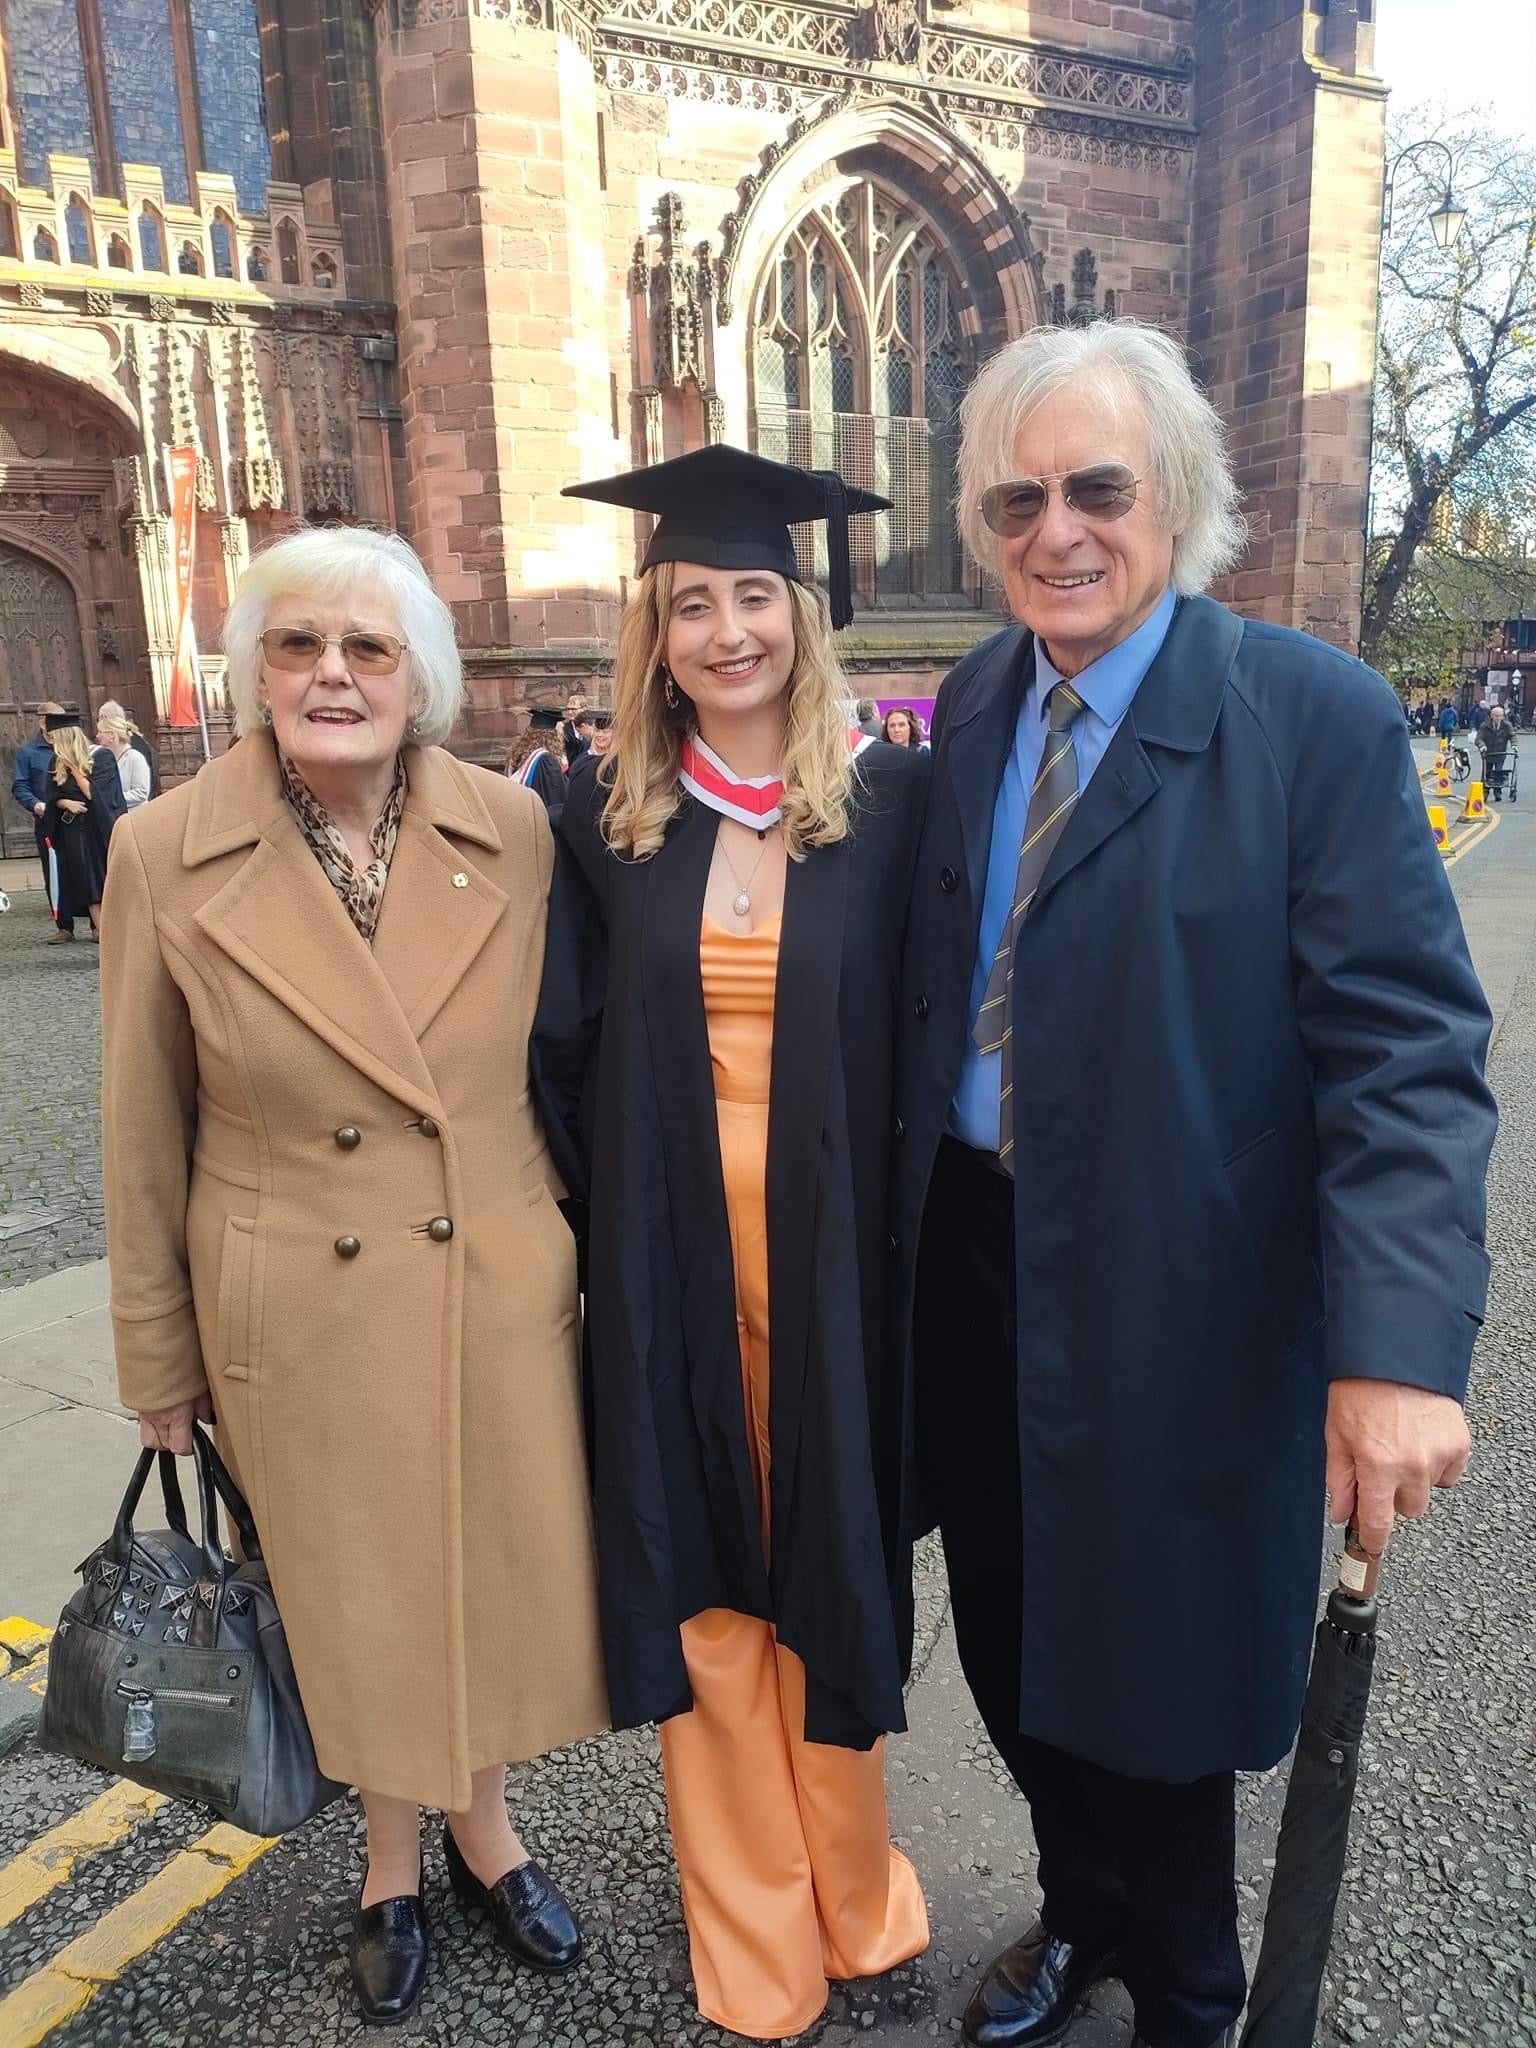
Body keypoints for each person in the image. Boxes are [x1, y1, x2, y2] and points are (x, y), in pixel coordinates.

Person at [892, 320, 1496, 2048]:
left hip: (1184, 1284)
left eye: (1096, 489)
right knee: (1014, 1649)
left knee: (1152, 1673)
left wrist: (1394, 1351)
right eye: (1016, 500)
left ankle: (1191, 1990)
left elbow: (1404, 1051)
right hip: (988, 1261)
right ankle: (1080, 1916)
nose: (1055, 531)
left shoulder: (1308, 713)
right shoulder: (978, 695)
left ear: (1181, 503)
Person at [99, 528, 608, 2028]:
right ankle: (394, 1858)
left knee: (491, 1574)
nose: (334, 675)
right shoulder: (162, 851)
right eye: (300, 646)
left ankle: (483, 1824)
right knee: (361, 1590)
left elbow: (562, 1065)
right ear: (255, 673)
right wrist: (155, 1358)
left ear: (420, 679)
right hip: (298, 1299)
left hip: (493, 1272)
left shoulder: (512, 833)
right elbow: (139, 1126)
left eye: (368, 649)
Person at [536, 444, 930, 2041]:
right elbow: (559, 1047)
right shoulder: (601, 817)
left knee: (832, 1580)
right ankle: (755, 1949)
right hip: (674, 1273)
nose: (724, 630)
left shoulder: (889, 807)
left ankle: (863, 1906)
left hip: (838, 1275)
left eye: (751, 594)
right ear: (655, 633)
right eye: (689, 602)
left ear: (801, 612)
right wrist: (619, 1227)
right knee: (706, 1589)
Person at [44, 710, 125, 940]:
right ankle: (104, 937)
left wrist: (74, 769)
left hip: (97, 832)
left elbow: (96, 794)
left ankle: (109, 937)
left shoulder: (101, 757)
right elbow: (51, 796)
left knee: (102, 884)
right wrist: (64, 802)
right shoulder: (55, 761)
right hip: (72, 833)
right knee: (87, 887)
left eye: (55, 739)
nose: (52, 744)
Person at [11, 701, 75, 940]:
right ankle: (64, 926)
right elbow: (20, 785)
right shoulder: (28, 752)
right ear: (41, 722)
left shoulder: (71, 747)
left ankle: (95, 922)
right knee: (54, 871)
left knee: (83, 868)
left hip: (75, 819)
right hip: (47, 820)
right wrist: (35, 804)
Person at [506, 705, 568, 823]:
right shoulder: (546, 760)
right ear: (552, 735)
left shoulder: (518, 754)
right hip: (541, 819)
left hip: (522, 815)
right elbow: (557, 797)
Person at [97, 698, 161, 797]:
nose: (100, 722)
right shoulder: (106, 753)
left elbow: (143, 789)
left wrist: (113, 800)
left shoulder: (136, 748)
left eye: (102, 718)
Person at [96, 710, 152, 808]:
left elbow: (142, 792)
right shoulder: (104, 757)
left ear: (112, 735)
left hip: (134, 816)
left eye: (100, 732)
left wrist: (112, 799)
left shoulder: (135, 758)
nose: (97, 736)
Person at [1477, 701, 1515, 798]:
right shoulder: (1484, 726)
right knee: (1486, 773)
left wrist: (1514, 745)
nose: (1498, 718)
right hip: (1487, 753)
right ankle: (1485, 792)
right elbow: (1479, 738)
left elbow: (1512, 736)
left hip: (1500, 753)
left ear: (1503, 716)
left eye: (1500, 716)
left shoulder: (1507, 725)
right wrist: (1482, 746)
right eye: (1496, 716)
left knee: (1498, 773)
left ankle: (1497, 792)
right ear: (1492, 716)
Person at [560, 692, 590, 766]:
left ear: (584, 709)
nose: (570, 712)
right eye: (568, 709)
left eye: (573, 709)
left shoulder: (592, 728)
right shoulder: (562, 729)